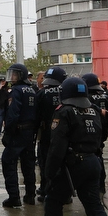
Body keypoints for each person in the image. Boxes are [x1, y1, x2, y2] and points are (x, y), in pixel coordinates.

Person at [32, 77, 108, 216]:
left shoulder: (64, 112)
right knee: (94, 206)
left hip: (71, 166)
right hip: (93, 161)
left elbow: (57, 147)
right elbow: (103, 132)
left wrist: (49, 174)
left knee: (53, 202)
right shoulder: (93, 110)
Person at [0, 63, 37, 207]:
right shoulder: (32, 90)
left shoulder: (15, 91)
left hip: (17, 132)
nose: (12, 77)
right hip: (30, 132)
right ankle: (30, 194)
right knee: (28, 165)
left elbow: (13, 113)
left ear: (21, 75)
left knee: (8, 162)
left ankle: (14, 196)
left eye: (14, 74)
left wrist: (8, 132)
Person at [34, 67, 66, 202]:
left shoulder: (42, 93)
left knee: (45, 161)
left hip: (47, 133)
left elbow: (35, 116)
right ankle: (65, 192)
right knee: (63, 162)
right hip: (64, 134)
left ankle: (45, 189)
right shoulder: (66, 93)